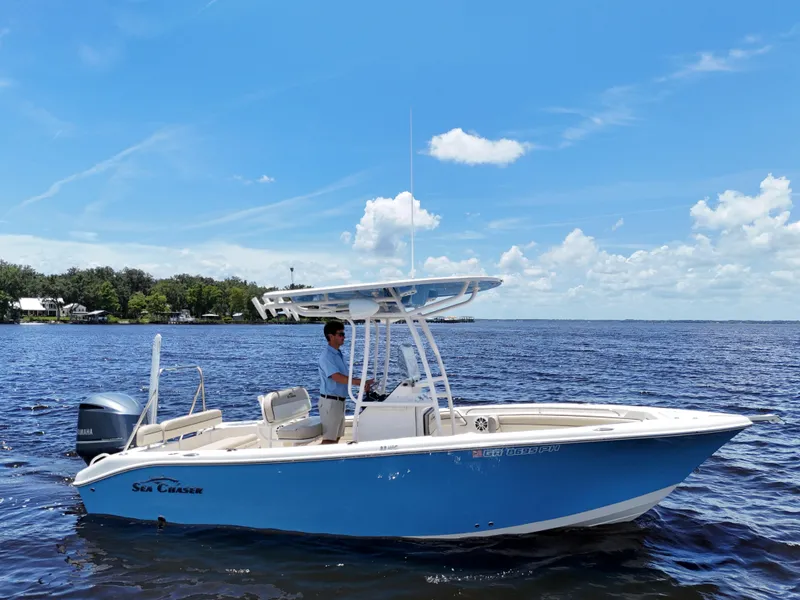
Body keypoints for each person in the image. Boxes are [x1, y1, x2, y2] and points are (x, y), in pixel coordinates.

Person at [318, 320, 373, 444]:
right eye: (340, 334)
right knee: (329, 440)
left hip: (338, 401)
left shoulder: (338, 354)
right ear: (331, 336)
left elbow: (343, 378)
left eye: (343, 334)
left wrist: (362, 383)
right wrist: (360, 382)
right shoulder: (327, 356)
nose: (344, 337)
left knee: (336, 438)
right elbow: (337, 377)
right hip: (330, 402)